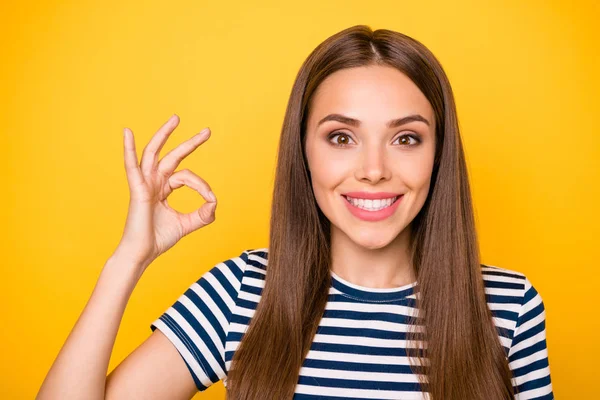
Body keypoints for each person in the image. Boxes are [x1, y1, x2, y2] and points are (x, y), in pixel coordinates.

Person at [36, 25, 553, 400]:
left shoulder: (509, 308)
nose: (373, 170)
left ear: (439, 155)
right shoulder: (242, 291)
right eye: (342, 137)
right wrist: (129, 257)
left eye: (406, 138)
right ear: (302, 152)